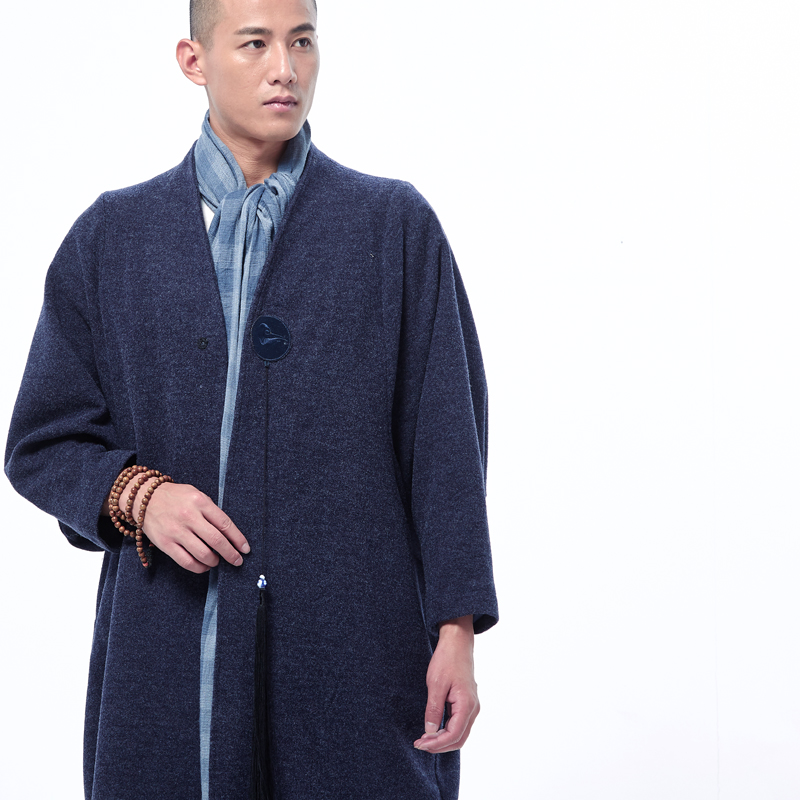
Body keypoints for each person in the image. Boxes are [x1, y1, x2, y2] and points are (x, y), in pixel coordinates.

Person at [4, 0, 499, 797]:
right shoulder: (114, 237)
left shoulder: (392, 227)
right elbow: (44, 437)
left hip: (356, 649)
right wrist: (139, 495)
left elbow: (447, 441)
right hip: (168, 644)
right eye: (256, 44)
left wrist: (457, 627)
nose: (285, 69)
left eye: (303, 42)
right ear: (193, 60)